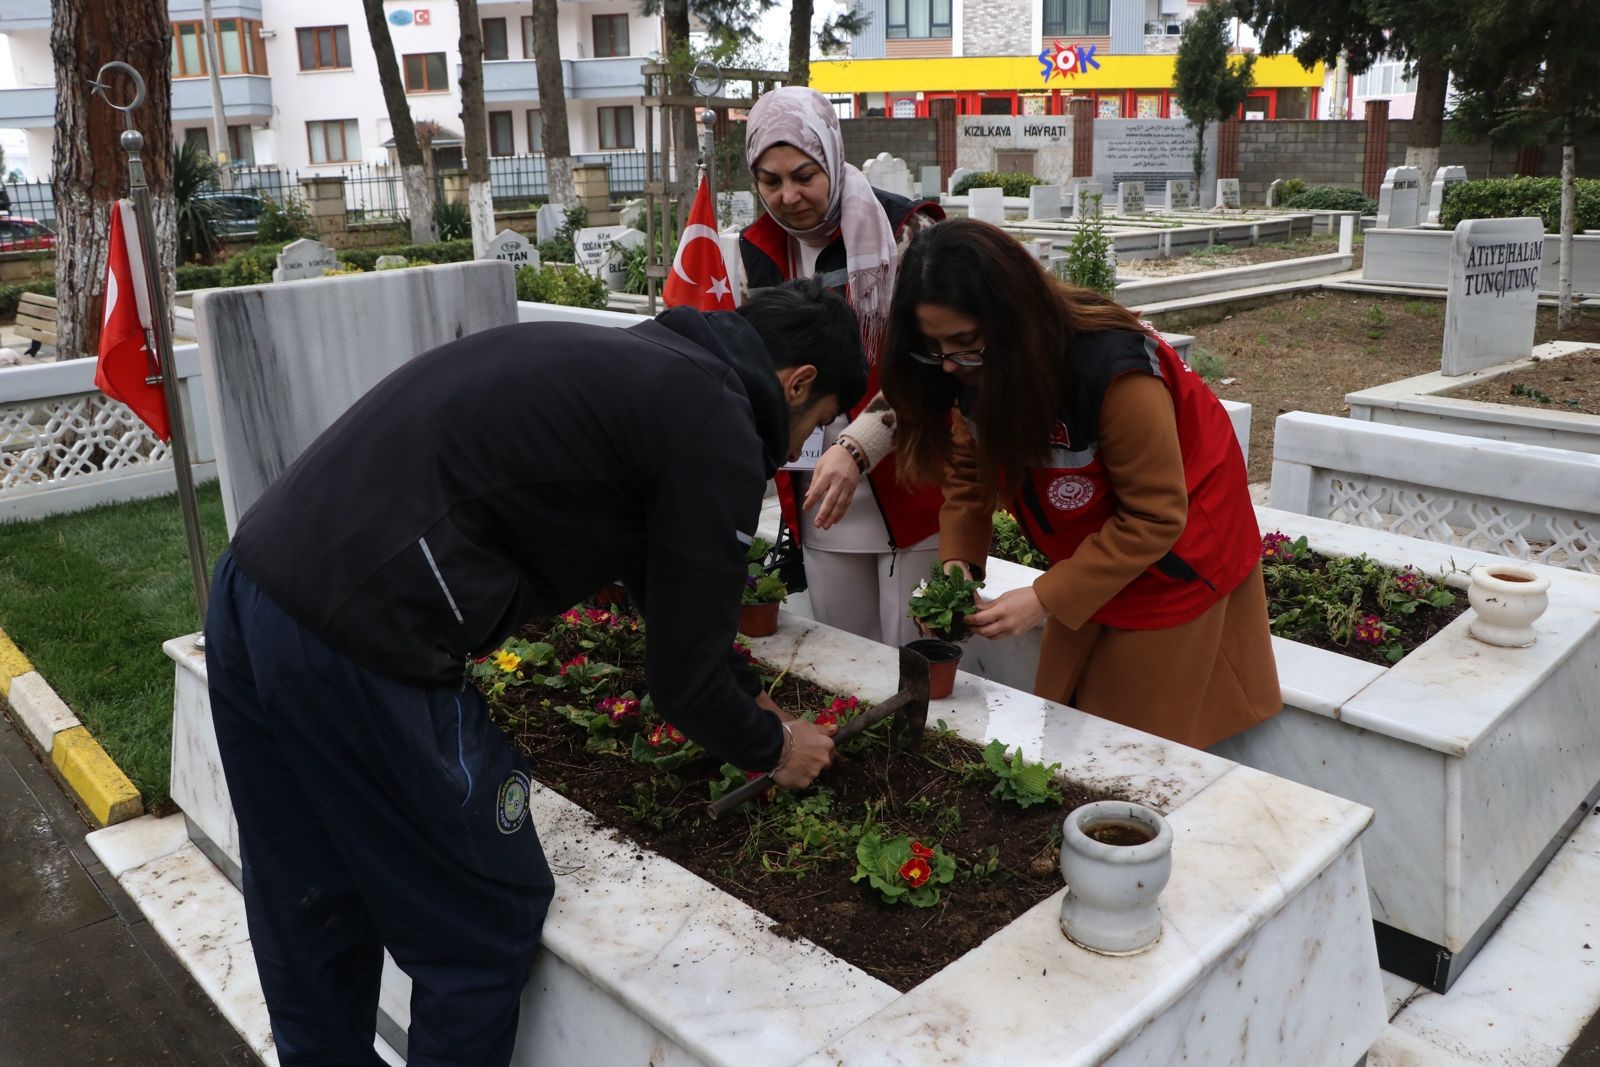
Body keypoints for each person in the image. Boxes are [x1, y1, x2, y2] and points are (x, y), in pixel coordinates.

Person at [203, 278, 862, 1065]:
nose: (799, 451)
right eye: (817, 425)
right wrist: (776, 746)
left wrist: (747, 695)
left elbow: (672, 591)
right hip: (369, 627)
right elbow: (682, 685)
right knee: (482, 917)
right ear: (797, 383)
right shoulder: (714, 422)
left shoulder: (652, 367)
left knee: (309, 895)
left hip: (254, 584)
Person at [881, 218, 1281, 750]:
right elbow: (969, 482)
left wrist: (1044, 597)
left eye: (966, 343)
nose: (951, 366)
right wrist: (958, 567)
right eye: (934, 348)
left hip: (1176, 560)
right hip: (1097, 554)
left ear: (1013, 320)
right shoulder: (976, 372)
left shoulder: (1113, 373)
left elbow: (1155, 516)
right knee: (1067, 713)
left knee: (1125, 747)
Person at [739, 85, 946, 647]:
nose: (788, 197)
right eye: (770, 181)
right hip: (815, 492)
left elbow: (933, 366)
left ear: (831, 154)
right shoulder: (756, 248)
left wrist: (856, 447)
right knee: (846, 662)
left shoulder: (904, 231)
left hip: (905, 477)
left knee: (916, 661)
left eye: (804, 175)